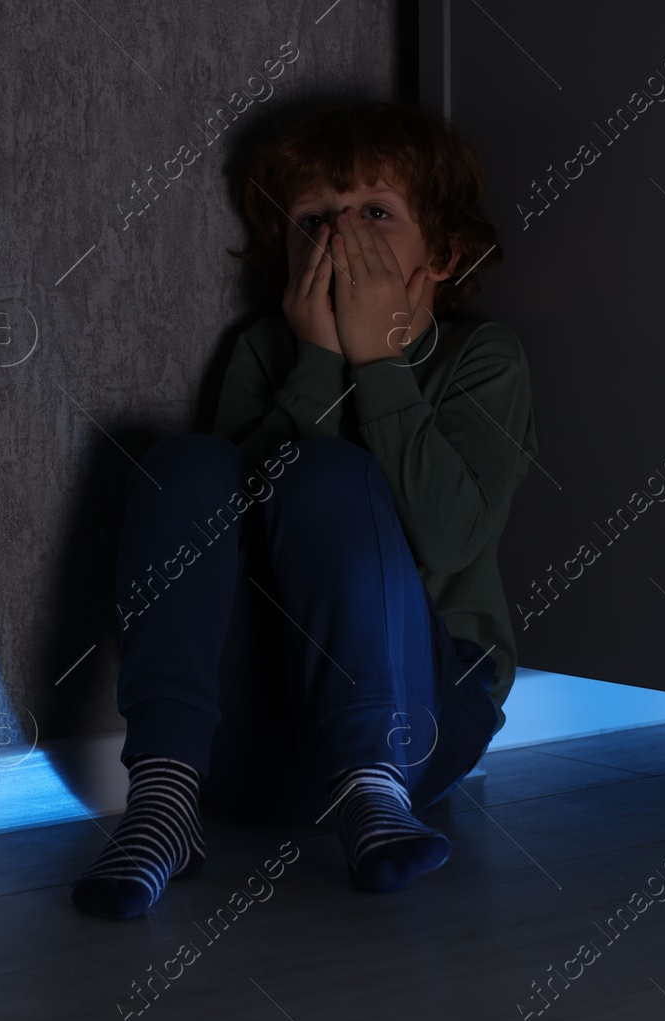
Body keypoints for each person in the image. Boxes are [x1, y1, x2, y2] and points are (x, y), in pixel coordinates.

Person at [71, 100, 538, 919]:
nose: (340, 238)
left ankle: (371, 786)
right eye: (316, 219)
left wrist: (378, 361)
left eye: (374, 213)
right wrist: (319, 359)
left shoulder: (481, 359)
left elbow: (452, 538)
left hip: (417, 726)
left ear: (442, 252)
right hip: (255, 749)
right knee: (184, 462)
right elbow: (231, 541)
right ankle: (164, 796)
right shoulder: (264, 352)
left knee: (326, 475)